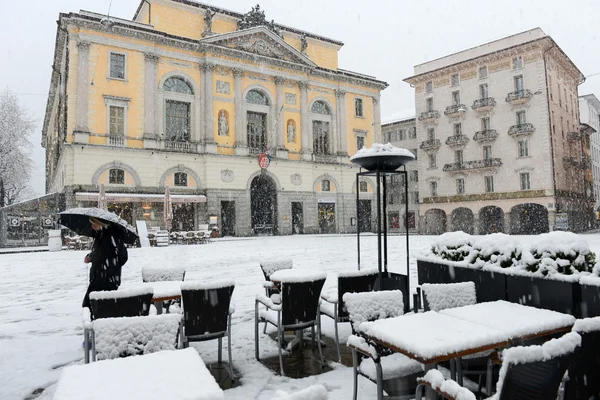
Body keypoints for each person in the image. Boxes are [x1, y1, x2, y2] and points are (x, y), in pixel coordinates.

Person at [81, 216, 128, 313]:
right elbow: (99, 253)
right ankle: (98, 324)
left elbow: (121, 257)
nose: (92, 227)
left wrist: (110, 266)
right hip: (99, 276)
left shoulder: (113, 236)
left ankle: (99, 325)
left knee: (92, 305)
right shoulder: (100, 235)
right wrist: (90, 257)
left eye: (94, 224)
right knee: (94, 306)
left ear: (101, 224)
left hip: (107, 279)